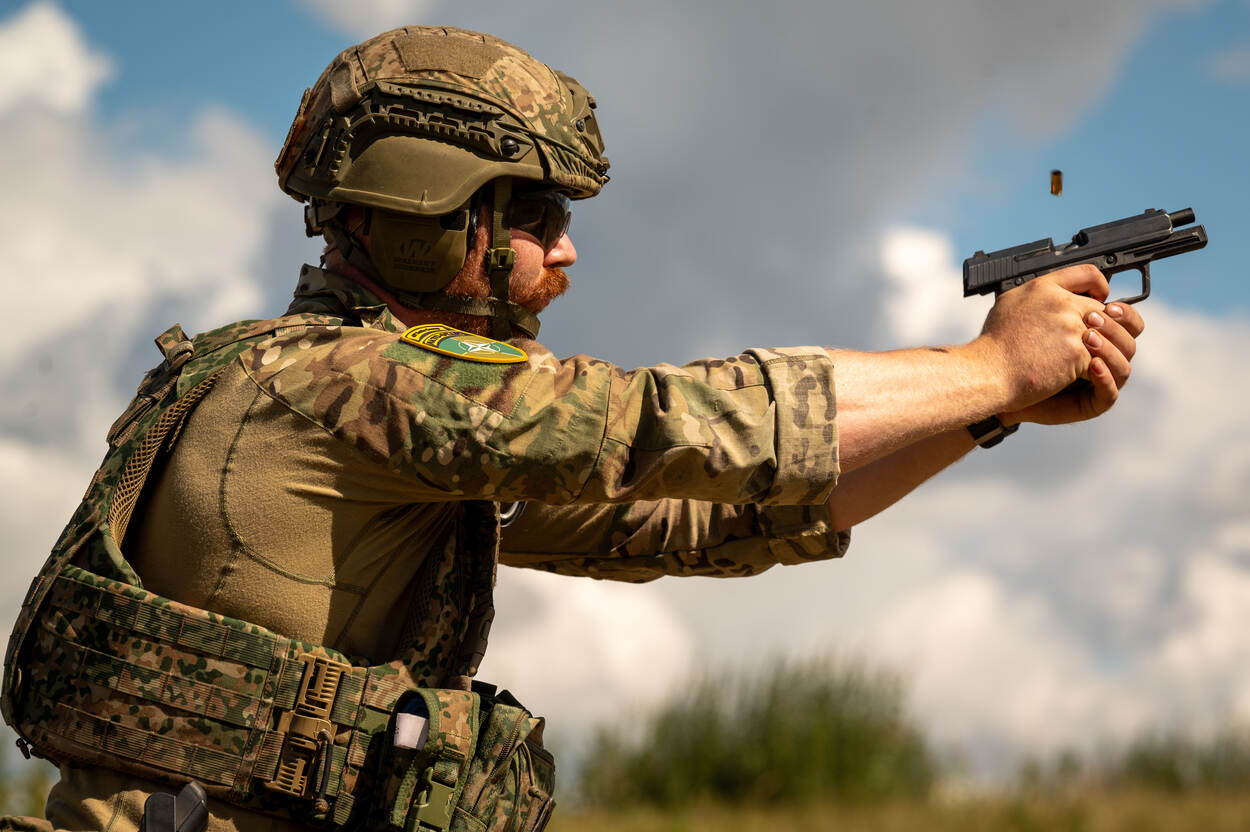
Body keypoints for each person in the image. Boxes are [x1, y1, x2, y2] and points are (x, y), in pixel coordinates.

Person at [0, 25, 1142, 832]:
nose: (567, 251)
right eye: (537, 212)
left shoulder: (378, 416)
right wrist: (988, 363)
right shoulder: (347, 388)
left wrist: (988, 406)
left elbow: (701, 518)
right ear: (430, 207)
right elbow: (678, 426)